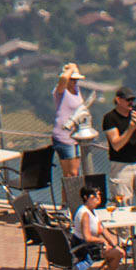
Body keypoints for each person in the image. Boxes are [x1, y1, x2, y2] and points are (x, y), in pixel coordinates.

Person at [100, 86, 136, 206]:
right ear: (118, 100)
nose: (130, 103)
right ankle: (127, 225)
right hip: (121, 166)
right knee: (123, 201)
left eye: (132, 100)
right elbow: (116, 144)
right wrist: (131, 128)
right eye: (128, 100)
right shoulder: (110, 118)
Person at [50, 66, 91, 207]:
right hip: (63, 137)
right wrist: (69, 70)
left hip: (76, 137)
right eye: (72, 80)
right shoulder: (60, 92)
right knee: (70, 174)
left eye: (76, 80)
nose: (75, 83)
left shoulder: (76, 91)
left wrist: (74, 67)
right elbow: (62, 79)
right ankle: (67, 204)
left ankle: (71, 203)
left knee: (75, 174)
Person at [69, 180, 126, 270]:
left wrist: (112, 243)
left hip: (92, 246)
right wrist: (103, 242)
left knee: (118, 248)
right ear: (86, 197)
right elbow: (87, 238)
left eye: (99, 195)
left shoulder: (92, 211)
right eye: (94, 196)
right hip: (85, 249)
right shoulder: (85, 214)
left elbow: (102, 229)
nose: (98, 198)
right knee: (118, 254)